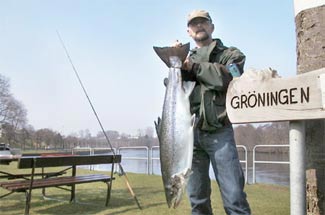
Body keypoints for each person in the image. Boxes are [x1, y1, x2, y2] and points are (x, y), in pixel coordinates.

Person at [179, 10, 251, 215]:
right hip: (191, 140)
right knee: (197, 202)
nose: (199, 26)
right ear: (188, 32)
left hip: (220, 133)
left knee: (235, 198)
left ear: (212, 27)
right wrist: (176, 65)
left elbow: (227, 77)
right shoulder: (184, 60)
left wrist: (194, 68)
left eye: (203, 22)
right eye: (194, 24)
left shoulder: (231, 54)